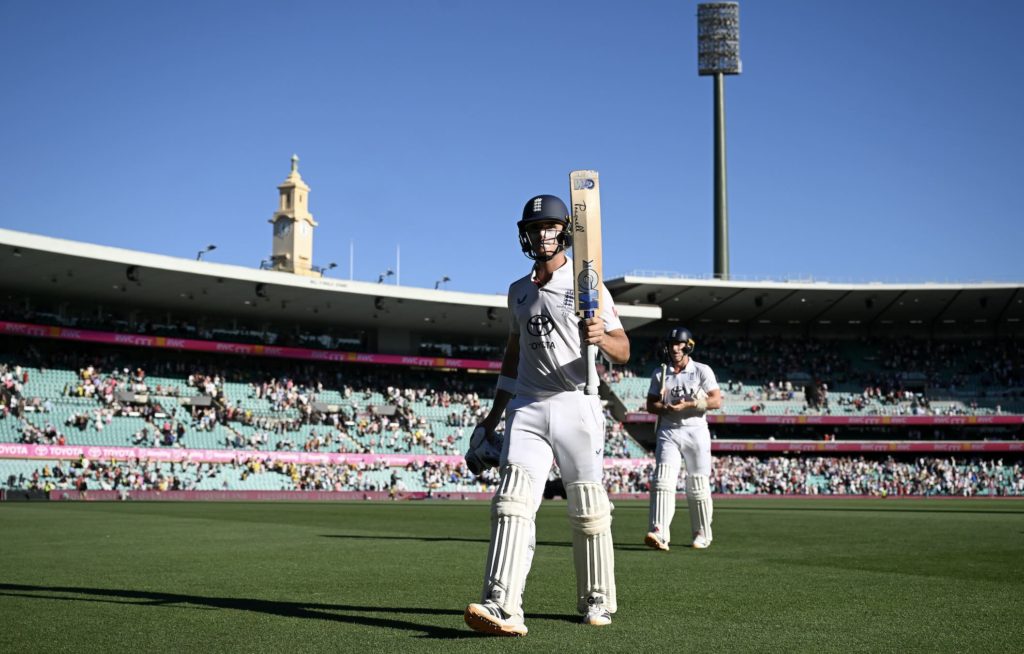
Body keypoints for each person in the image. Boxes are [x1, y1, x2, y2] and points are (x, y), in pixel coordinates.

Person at [463, 194, 630, 637]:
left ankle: (597, 599)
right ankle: (503, 605)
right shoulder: (517, 290)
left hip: (577, 402)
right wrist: (494, 414)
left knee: (589, 508)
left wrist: (601, 336)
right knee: (512, 502)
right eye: (535, 228)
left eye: (550, 227)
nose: (541, 235)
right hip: (527, 407)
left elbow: (624, 348)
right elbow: (513, 353)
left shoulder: (587, 284)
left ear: (565, 232)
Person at [644, 327, 722, 551]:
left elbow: (716, 401)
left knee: (697, 484)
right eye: (671, 344)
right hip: (669, 430)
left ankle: (702, 532)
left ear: (689, 346)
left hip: (696, 431)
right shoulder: (660, 373)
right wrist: (664, 407)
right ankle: (659, 532)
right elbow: (651, 405)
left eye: (679, 344)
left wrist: (689, 404)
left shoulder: (700, 370)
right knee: (663, 480)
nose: (675, 349)